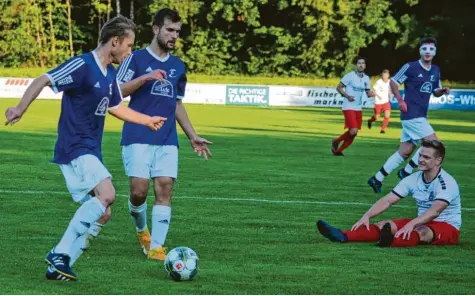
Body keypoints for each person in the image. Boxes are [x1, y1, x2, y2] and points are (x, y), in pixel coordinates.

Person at [4, 16, 167, 281]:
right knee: (107, 193)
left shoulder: (110, 73)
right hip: (75, 145)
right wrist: (20, 108)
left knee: (103, 214)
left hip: (90, 149)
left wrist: (147, 121)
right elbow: (44, 79)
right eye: (128, 45)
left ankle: (60, 267)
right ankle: (60, 252)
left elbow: (115, 107)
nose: (129, 52)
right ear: (115, 42)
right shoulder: (83, 65)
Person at [116, 8, 212, 261]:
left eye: (178, 32)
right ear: (156, 29)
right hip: (137, 133)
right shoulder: (134, 59)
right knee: (139, 191)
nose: (174, 36)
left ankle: (157, 248)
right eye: (170, 30)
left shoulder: (178, 66)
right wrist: (145, 78)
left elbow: (177, 104)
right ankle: (141, 230)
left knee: (165, 188)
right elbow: (117, 92)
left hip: (167, 138)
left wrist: (192, 135)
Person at [317, 140, 461, 248]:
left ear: (438, 160)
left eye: (427, 157)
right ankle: (342, 235)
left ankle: (391, 242)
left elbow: (434, 211)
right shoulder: (413, 178)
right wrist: (366, 216)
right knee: (384, 225)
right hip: (422, 220)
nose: (421, 160)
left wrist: (411, 224)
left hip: (447, 226)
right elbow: (388, 200)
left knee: (422, 231)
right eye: (420, 155)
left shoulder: (447, 182)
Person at [368, 37, 450, 193]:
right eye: (424, 49)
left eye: (431, 49)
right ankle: (405, 172)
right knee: (435, 145)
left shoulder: (435, 70)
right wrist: (400, 100)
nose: (427, 52)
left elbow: (435, 91)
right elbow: (393, 82)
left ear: (435, 52)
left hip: (420, 114)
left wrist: (443, 91)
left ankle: (377, 178)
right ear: (420, 50)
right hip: (411, 114)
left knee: (404, 151)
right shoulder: (410, 67)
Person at [333, 57, 375, 156]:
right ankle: (336, 141)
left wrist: (373, 93)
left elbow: (368, 93)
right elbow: (339, 88)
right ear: (356, 65)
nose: (361, 65)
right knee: (353, 130)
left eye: (363, 63)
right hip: (348, 106)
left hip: (358, 108)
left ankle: (339, 150)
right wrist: (347, 96)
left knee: (354, 133)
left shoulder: (366, 78)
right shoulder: (349, 76)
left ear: (365, 66)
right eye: (359, 63)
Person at [367, 69, 392, 134]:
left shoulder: (390, 82)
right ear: (382, 75)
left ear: (388, 75)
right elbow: (373, 91)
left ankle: (382, 129)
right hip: (378, 103)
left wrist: (390, 95)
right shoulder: (379, 82)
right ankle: (370, 121)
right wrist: (376, 95)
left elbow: (389, 90)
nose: (385, 76)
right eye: (383, 74)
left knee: (387, 116)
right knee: (376, 117)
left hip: (386, 102)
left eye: (386, 74)